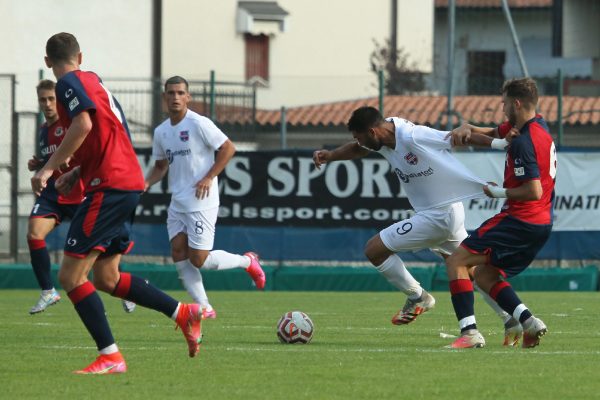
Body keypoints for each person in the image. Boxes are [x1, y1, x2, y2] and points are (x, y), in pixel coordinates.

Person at [31, 32, 202, 374]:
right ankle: (183, 312)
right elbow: (113, 134)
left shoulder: (67, 84)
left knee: (70, 276)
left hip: (108, 186)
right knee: (107, 277)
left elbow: (83, 124)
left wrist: (49, 169)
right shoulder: (95, 82)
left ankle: (110, 355)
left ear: (48, 62)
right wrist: (77, 171)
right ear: (81, 56)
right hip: (125, 181)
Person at [313, 106, 518, 340]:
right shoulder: (382, 135)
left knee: (374, 250)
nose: (359, 143)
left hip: (437, 217)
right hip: (447, 212)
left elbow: (457, 137)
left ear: (373, 131)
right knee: (471, 271)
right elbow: (357, 149)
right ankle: (512, 319)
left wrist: (499, 144)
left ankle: (418, 297)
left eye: (360, 137)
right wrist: (330, 156)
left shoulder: (412, 135)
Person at [445, 77, 555, 349]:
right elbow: (496, 132)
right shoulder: (537, 126)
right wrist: (470, 127)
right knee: (483, 274)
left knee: (457, 260)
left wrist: (499, 193)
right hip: (540, 224)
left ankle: (469, 333)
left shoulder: (523, 141)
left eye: (504, 102)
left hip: (520, 219)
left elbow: (533, 191)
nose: (501, 106)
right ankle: (529, 322)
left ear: (516, 103)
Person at [145, 76, 266, 319]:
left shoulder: (198, 123)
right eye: (171, 93)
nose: (175, 97)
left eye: (180, 93)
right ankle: (205, 306)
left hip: (202, 200)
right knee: (178, 252)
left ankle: (247, 261)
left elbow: (228, 148)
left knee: (198, 259)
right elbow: (160, 166)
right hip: (178, 202)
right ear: (164, 98)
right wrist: (144, 183)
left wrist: (209, 177)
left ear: (188, 97)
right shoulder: (161, 132)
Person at [27, 79, 136, 315]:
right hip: (54, 195)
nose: (47, 104)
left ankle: (121, 288)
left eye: (51, 99)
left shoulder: (73, 122)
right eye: (42, 100)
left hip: (80, 194)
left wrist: (69, 166)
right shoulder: (44, 129)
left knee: (102, 251)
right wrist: (40, 163)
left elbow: (86, 144)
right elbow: (54, 156)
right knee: (34, 234)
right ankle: (48, 291)